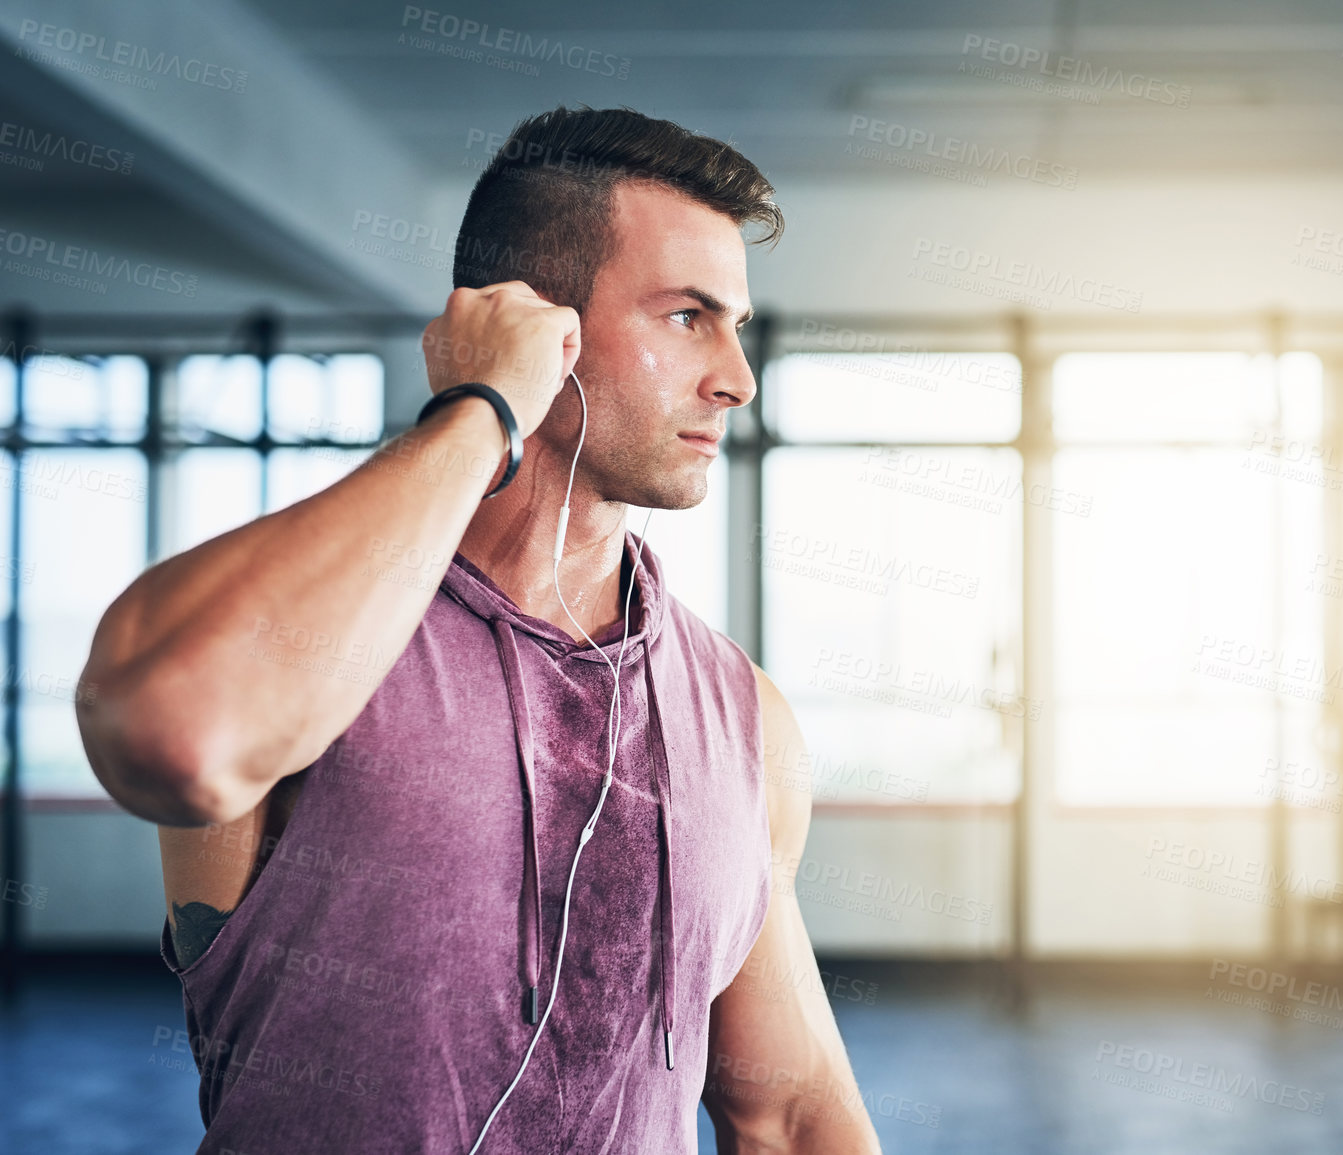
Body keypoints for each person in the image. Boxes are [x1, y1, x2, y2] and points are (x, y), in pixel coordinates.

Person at [75, 105, 882, 1154]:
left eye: (734, 324)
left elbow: (791, 1111)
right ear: (539, 327)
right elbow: (174, 732)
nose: (737, 376)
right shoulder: (321, 639)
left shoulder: (740, 715)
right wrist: (484, 406)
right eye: (688, 317)